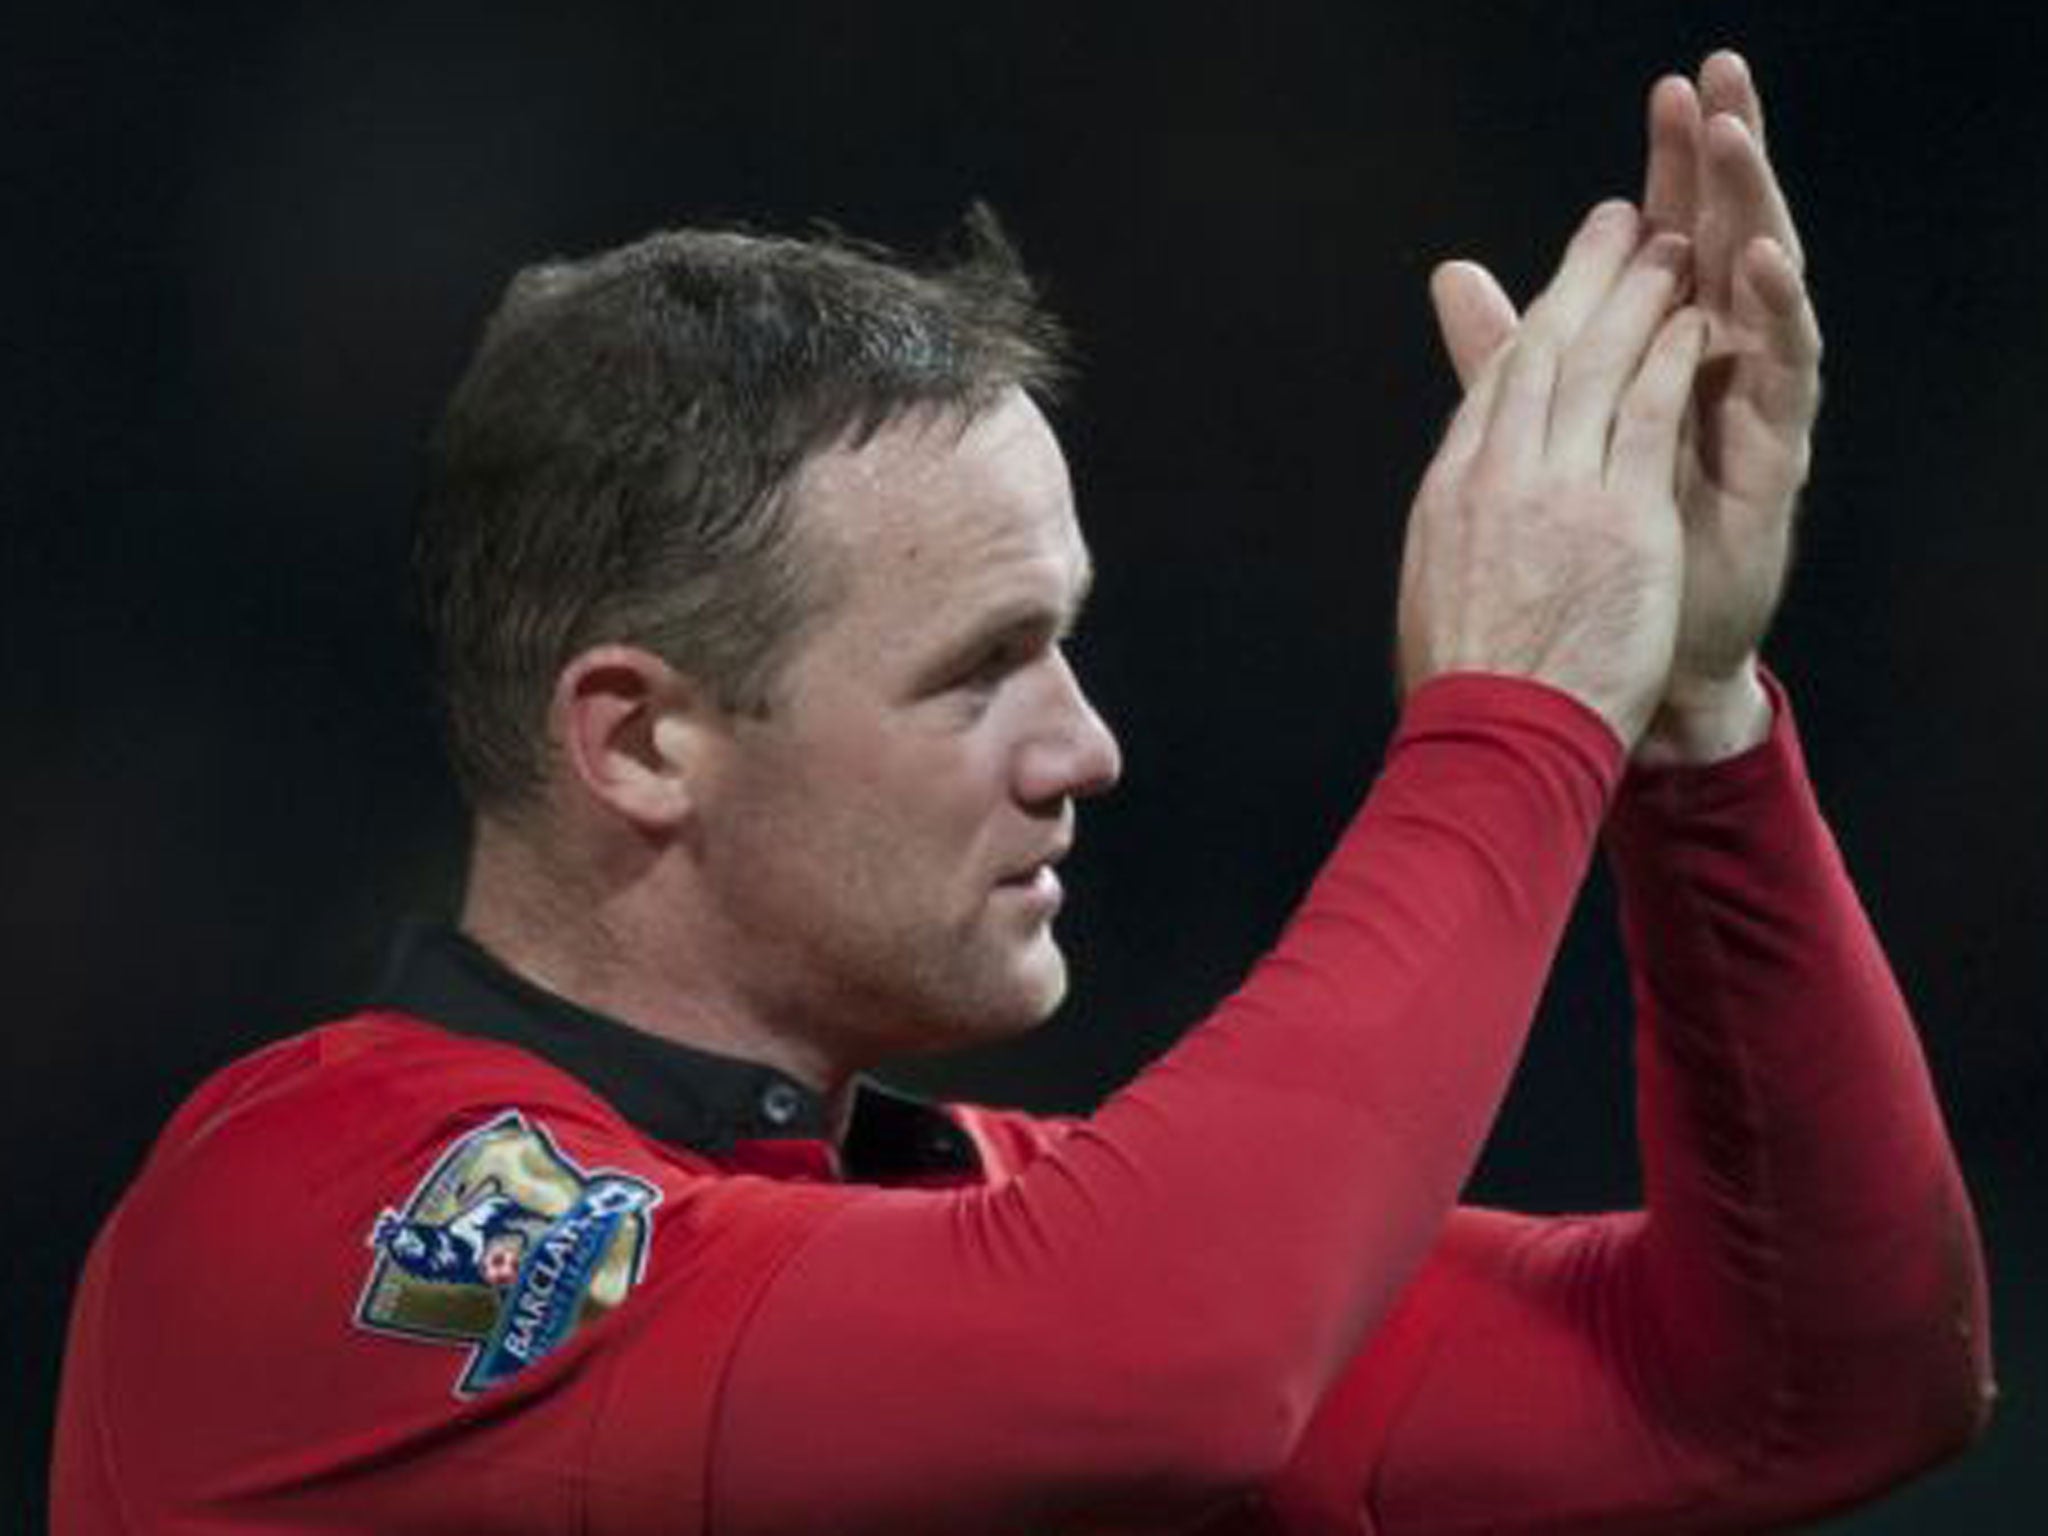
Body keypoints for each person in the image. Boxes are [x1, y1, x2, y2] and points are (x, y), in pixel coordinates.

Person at [53, 51, 1990, 1534]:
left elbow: (1819, 1385)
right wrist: (1505, 719)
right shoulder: (317, 1213)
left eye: (1062, 645)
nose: (1086, 749)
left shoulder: (971, 1225)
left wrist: (1690, 725)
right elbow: (1165, 1370)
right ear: (640, 739)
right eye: (978, 670)